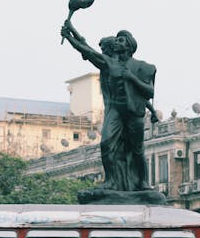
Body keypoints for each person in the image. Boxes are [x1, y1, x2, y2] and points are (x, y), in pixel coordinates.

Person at [61, 21, 156, 192]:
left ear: (128, 45)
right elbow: (88, 51)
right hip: (116, 110)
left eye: (120, 40)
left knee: (137, 149)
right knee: (105, 143)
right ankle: (111, 180)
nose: (116, 43)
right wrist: (69, 37)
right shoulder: (110, 63)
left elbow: (150, 92)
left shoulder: (142, 67)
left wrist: (131, 78)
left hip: (133, 113)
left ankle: (143, 183)